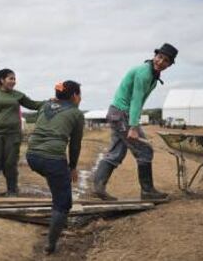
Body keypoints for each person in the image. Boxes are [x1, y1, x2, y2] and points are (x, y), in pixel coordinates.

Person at [93, 43, 178, 201]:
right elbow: (136, 100)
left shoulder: (153, 75)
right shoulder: (144, 73)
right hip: (122, 113)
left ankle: (98, 187)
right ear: (155, 55)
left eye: (166, 60)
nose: (161, 62)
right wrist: (133, 126)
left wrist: (135, 121)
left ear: (170, 64)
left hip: (119, 113)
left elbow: (140, 101)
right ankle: (147, 192)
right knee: (145, 150)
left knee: (116, 152)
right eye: (159, 57)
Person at [26, 81, 84, 254]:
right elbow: (75, 145)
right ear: (75, 96)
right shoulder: (76, 113)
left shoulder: (45, 105)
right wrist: (72, 166)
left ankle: (56, 217)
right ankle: (50, 245)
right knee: (63, 203)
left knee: (57, 183)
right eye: (79, 94)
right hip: (52, 160)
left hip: (32, 156)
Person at [0, 69, 43, 197]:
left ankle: (12, 190)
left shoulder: (17, 95)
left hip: (13, 135)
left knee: (10, 163)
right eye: (10, 78)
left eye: (14, 79)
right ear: (2, 80)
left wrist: (50, 102)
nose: (13, 81)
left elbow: (33, 105)